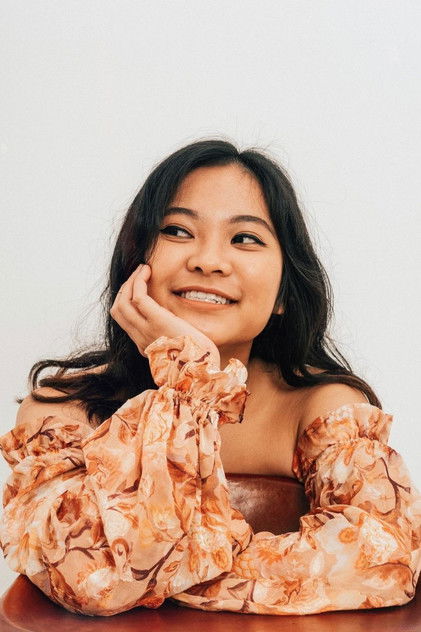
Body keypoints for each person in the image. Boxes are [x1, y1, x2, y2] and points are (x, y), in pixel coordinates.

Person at [0, 139, 420, 617]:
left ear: (284, 294)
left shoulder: (323, 409)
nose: (208, 261)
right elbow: (95, 580)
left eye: (245, 239)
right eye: (177, 230)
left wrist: (178, 569)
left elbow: (382, 562)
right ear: (135, 262)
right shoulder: (62, 411)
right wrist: (190, 379)